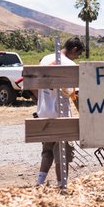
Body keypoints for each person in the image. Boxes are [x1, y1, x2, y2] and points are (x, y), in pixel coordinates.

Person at [34, 37, 84, 186]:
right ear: (74, 49)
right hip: (60, 114)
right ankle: (61, 185)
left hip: (44, 113)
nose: (77, 57)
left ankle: (40, 181)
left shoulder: (45, 59)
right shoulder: (69, 65)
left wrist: (41, 103)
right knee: (62, 154)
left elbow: (32, 86)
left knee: (47, 151)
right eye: (78, 54)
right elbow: (75, 95)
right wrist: (84, 114)